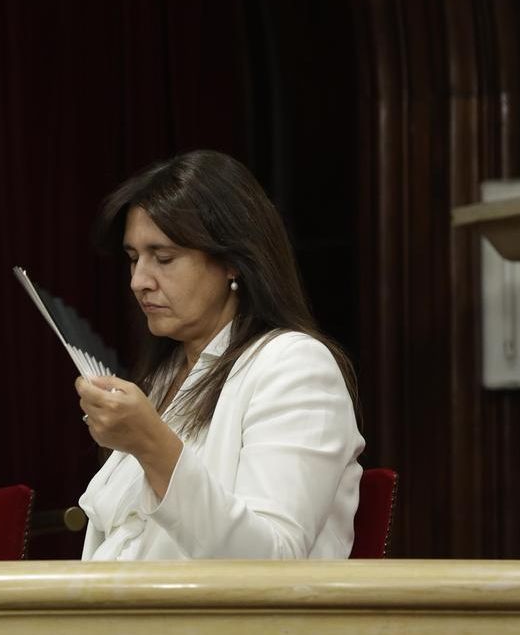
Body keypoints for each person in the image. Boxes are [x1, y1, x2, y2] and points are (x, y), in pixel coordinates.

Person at [76, 149, 364, 560]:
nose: (139, 281)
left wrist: (151, 443)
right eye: (133, 258)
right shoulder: (165, 376)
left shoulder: (296, 365)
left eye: (163, 258)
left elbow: (272, 561)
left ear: (231, 262)